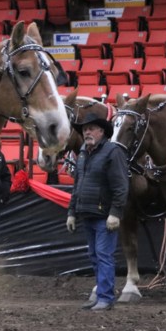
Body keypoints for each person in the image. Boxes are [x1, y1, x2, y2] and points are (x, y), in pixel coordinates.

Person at [66, 112, 129, 311]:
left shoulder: (113, 152)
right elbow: (78, 185)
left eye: (91, 128)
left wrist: (115, 213)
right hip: (87, 213)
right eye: (84, 129)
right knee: (95, 255)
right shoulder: (84, 153)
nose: (87, 132)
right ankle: (101, 294)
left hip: (104, 215)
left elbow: (121, 186)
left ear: (102, 131)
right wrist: (71, 212)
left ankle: (105, 297)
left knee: (103, 255)